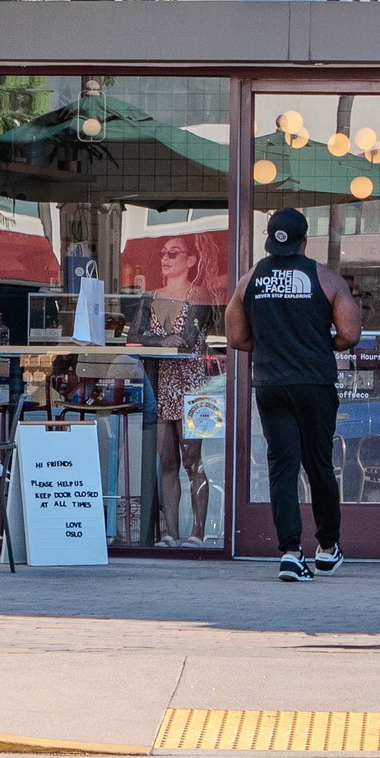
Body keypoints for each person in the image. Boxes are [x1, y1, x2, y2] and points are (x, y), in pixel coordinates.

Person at [225, 205, 362, 582]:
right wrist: (322, 344)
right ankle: (328, 548)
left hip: (271, 384)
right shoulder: (325, 279)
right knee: (318, 465)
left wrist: (273, 345)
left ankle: (289, 553)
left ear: (270, 239)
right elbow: (350, 334)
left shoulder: (250, 278)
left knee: (282, 469)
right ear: (304, 240)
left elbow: (236, 337)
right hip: (314, 383)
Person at [150, 233, 220, 546]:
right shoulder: (152, 296)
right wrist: (159, 340)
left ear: (190, 260)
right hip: (164, 385)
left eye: (174, 253)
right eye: (163, 252)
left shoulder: (199, 294)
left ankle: (198, 532)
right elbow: (135, 337)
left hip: (196, 385)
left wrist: (156, 340)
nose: (165, 258)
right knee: (166, 462)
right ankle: (170, 533)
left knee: (193, 460)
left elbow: (190, 339)